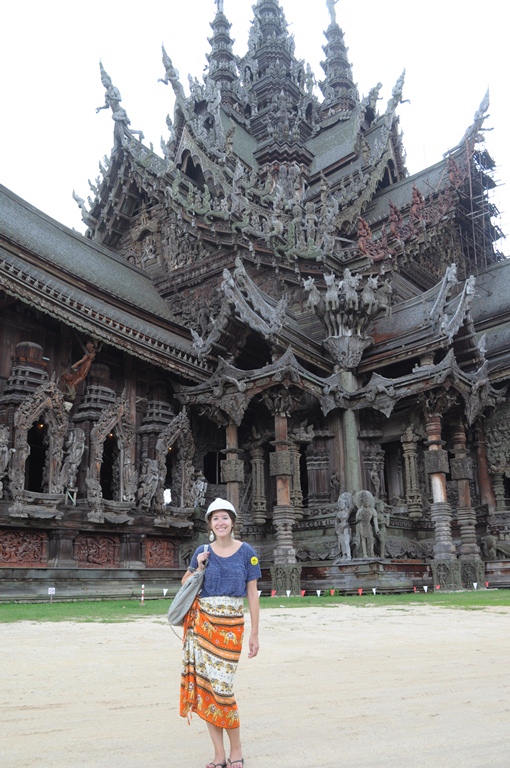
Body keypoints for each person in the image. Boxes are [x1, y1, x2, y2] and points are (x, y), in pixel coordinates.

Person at [180, 498, 261, 768]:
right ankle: (219, 754)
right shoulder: (203, 551)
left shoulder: (246, 551)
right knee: (206, 690)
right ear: (210, 524)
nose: (220, 523)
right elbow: (184, 583)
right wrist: (199, 567)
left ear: (233, 522)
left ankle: (236, 750)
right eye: (215, 518)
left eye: (225, 518)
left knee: (223, 689)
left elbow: (252, 594)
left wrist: (254, 633)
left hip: (231, 626)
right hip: (202, 625)